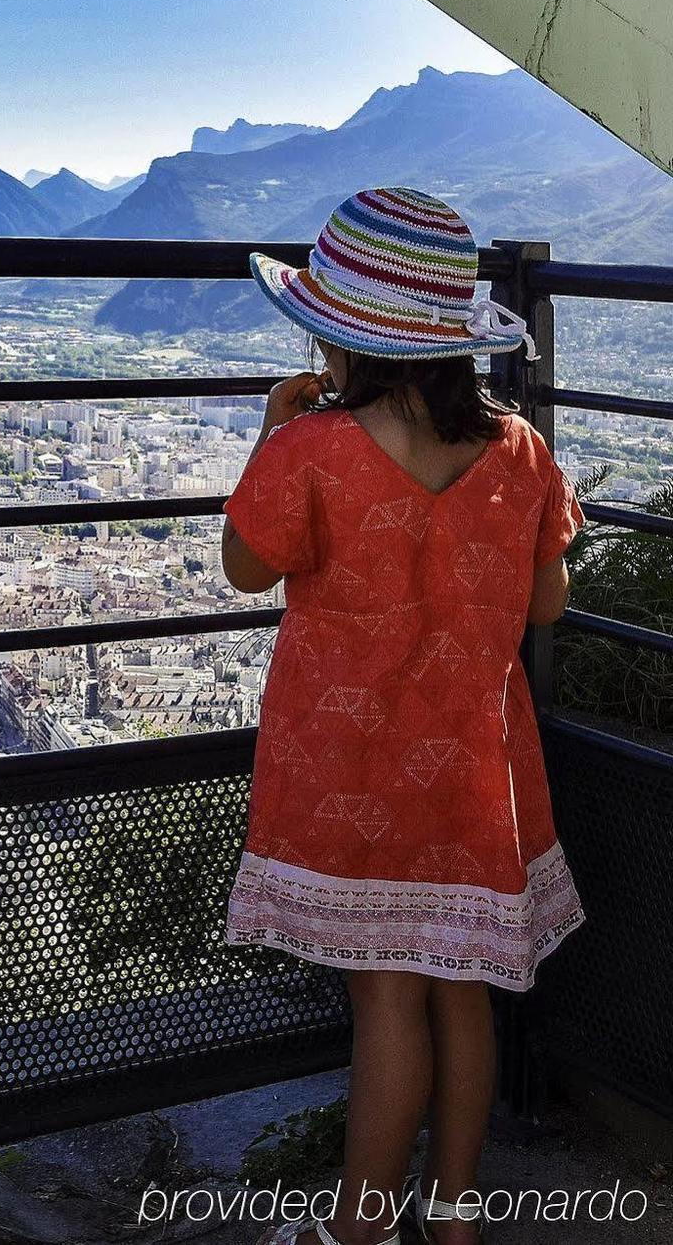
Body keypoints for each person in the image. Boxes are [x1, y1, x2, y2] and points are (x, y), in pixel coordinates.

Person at [225, 188, 584, 1245]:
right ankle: (454, 1213)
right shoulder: (516, 448)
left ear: (344, 344)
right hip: (475, 759)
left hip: (350, 766)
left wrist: (267, 435)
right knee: (460, 989)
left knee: (384, 996)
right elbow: (546, 602)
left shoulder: (310, 451)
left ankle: (356, 1227)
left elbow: (246, 570)